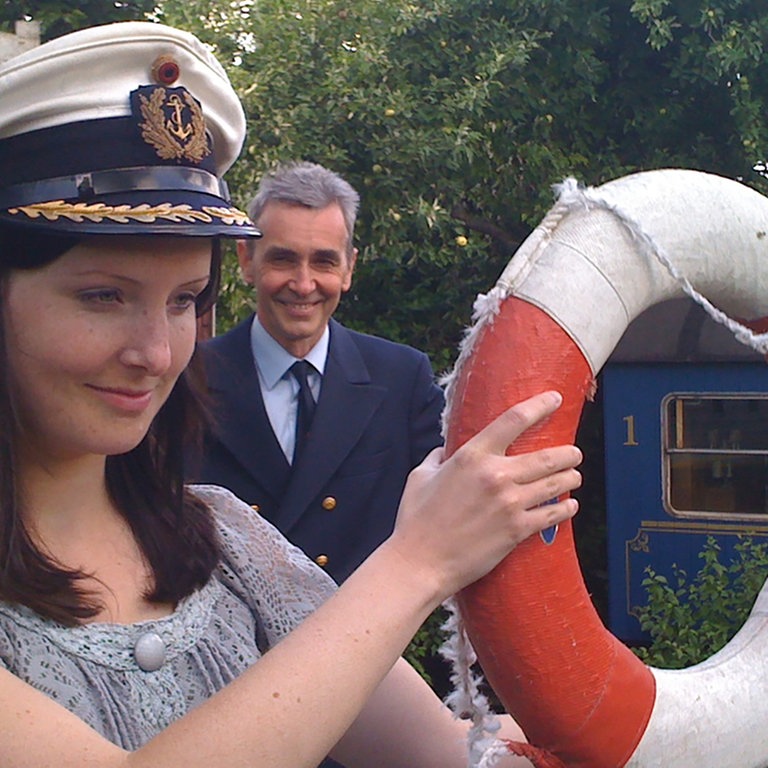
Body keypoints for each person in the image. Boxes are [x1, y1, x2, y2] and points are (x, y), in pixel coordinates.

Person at [0, 20, 583, 768]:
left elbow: (450, 753)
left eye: (184, 301)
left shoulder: (226, 540)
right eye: (103, 296)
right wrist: (418, 562)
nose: (156, 354)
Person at [191, 161, 444, 584]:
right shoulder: (187, 380)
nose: (304, 284)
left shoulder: (403, 380)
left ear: (348, 269)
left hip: (363, 624)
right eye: (283, 259)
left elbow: (448, 515)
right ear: (246, 260)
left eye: (324, 262)